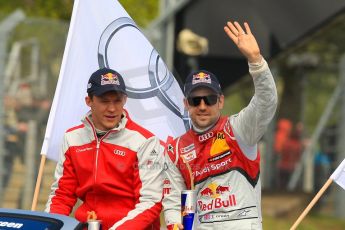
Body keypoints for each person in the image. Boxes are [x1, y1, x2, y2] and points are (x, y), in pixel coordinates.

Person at [163, 21, 278, 229]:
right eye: (195, 100)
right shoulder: (176, 149)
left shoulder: (239, 129)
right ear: (186, 104)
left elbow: (266, 102)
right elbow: (173, 198)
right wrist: (173, 223)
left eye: (209, 99)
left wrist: (256, 61)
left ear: (221, 101)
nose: (203, 105)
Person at [45, 68, 164, 230]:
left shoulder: (145, 141)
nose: (112, 108)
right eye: (104, 101)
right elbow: (62, 196)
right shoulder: (72, 138)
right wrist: (50, 226)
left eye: (117, 101)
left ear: (125, 100)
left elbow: (151, 202)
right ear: (89, 101)